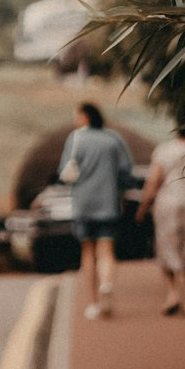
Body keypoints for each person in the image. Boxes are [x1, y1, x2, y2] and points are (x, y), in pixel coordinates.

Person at [57, 102, 134, 319]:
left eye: (77, 116)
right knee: (106, 250)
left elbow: (64, 171)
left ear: (85, 116)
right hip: (108, 203)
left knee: (87, 252)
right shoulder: (114, 139)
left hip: (82, 204)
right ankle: (107, 284)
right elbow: (126, 171)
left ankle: (93, 303)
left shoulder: (76, 139)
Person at [136, 127, 185, 315]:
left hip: (167, 205)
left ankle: (173, 294)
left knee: (165, 248)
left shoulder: (164, 150)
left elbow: (154, 181)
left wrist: (143, 207)